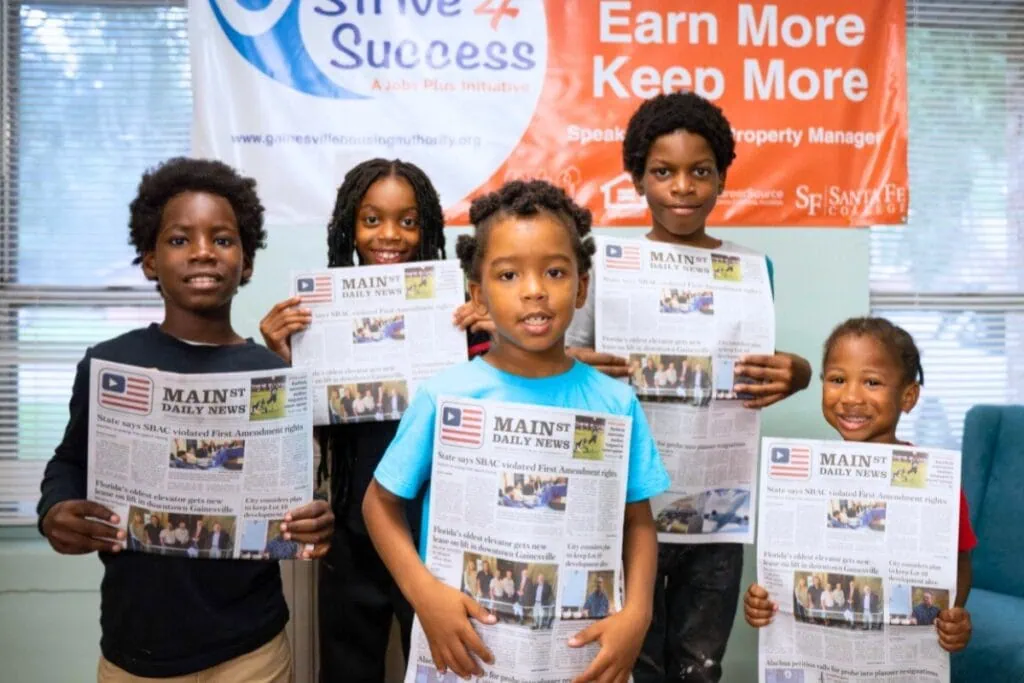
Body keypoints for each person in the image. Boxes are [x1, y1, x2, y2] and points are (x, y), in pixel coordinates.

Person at [36, 157, 334, 681]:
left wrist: (315, 519)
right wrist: (54, 508)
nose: (202, 252)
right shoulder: (112, 364)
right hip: (136, 649)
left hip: (252, 651)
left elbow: (292, 497)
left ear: (246, 263)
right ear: (150, 260)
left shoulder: (272, 372)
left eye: (222, 239)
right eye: (179, 240)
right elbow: (68, 460)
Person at [362, 180, 670, 681]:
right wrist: (424, 594)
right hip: (468, 652)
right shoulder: (446, 396)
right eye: (509, 274)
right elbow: (379, 504)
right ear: (478, 294)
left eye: (554, 271)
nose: (534, 289)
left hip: (575, 657)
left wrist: (637, 614)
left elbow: (637, 521)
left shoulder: (615, 402)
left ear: (582, 285)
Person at [564, 91, 813, 683]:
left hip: (716, 515)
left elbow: (761, 364)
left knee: (701, 666)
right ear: (636, 179)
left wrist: (796, 372)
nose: (682, 186)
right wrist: (580, 368)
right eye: (663, 172)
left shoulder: (754, 270)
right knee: (632, 661)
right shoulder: (603, 262)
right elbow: (562, 356)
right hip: (626, 509)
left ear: (723, 177)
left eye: (700, 171)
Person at [259, 157, 493, 683]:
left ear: (428, 228)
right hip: (351, 530)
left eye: (409, 221)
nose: (391, 235)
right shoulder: (315, 323)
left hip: (439, 529)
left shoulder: (461, 314)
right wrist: (281, 360)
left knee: (451, 670)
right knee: (346, 670)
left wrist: (494, 339)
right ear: (349, 227)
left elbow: (498, 409)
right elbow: (290, 445)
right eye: (372, 219)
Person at [744, 317, 976, 653]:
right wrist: (763, 602)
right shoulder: (805, 482)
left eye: (872, 382)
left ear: (908, 396)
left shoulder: (935, 483)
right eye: (838, 379)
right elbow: (789, 569)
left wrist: (955, 615)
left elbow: (960, 560)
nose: (851, 397)